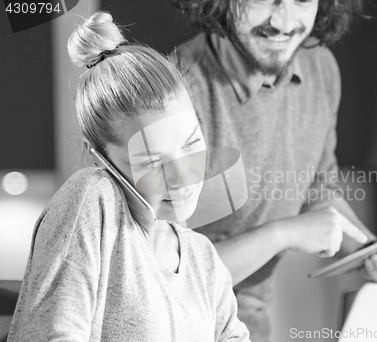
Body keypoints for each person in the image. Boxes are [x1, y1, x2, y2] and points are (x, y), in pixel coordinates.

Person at [170, 0, 377, 340]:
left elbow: (317, 193)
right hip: (181, 323)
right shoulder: (175, 89)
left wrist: (370, 249)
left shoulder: (320, 68)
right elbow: (171, 273)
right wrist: (284, 234)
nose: (284, 21)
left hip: (251, 324)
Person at [7, 11, 250, 342]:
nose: (181, 176)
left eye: (191, 143)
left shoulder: (204, 260)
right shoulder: (93, 201)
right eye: (152, 162)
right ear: (102, 158)